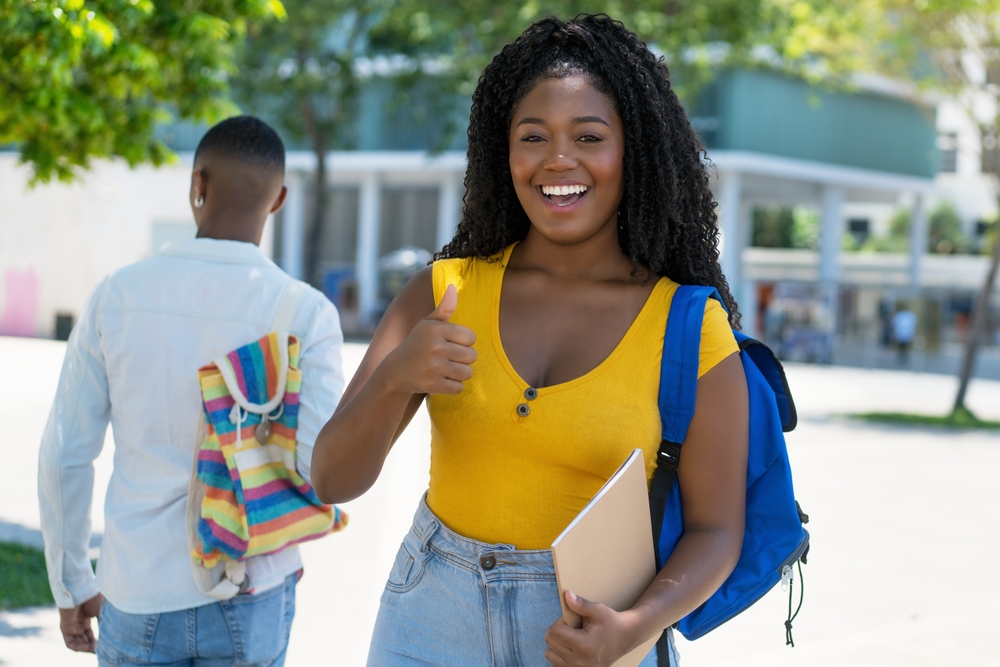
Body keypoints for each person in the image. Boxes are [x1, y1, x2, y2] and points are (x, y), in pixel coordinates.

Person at [311, 14, 749, 667]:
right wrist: (396, 377)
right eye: (533, 136)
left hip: (592, 631)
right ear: (504, 151)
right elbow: (330, 479)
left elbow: (717, 530)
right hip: (429, 619)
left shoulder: (687, 325)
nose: (557, 160)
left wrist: (634, 627)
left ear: (634, 150)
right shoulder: (444, 292)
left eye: (589, 136)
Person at [37, 116, 345, 666]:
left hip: (135, 587)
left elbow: (65, 454)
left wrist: (71, 583)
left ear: (197, 183)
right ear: (279, 200)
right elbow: (319, 469)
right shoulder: (305, 313)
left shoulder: (117, 296)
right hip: (252, 584)